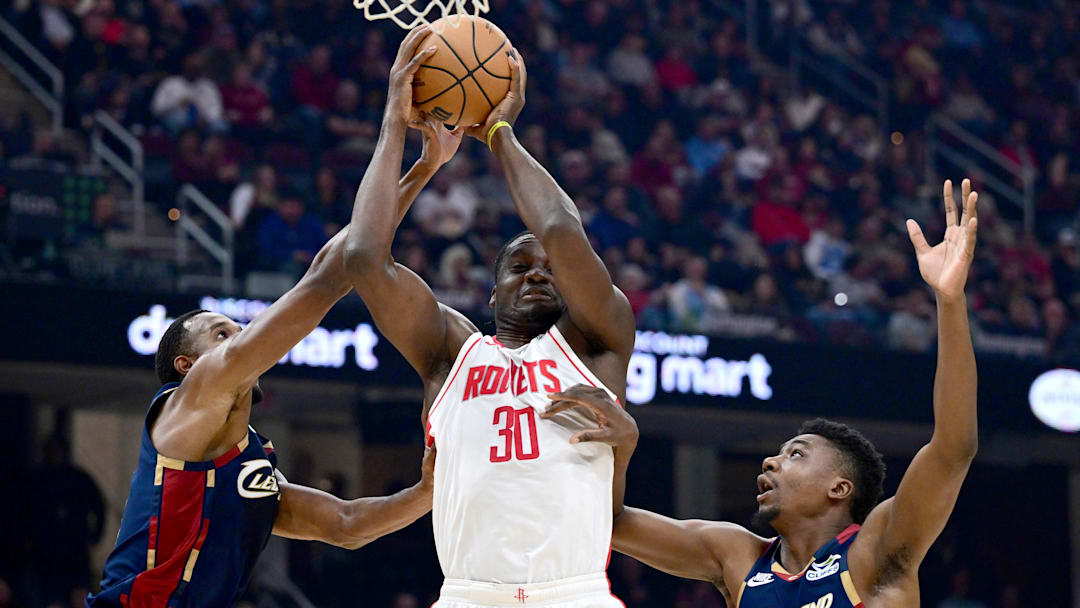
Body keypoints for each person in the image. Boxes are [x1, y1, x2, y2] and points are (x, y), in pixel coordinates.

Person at [84, 99, 463, 607]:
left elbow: (346, 525)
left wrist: (427, 491)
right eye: (222, 335)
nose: (239, 337)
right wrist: (393, 118)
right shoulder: (185, 403)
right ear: (187, 365)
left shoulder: (251, 467)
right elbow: (321, 285)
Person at [546, 180, 981, 608]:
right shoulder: (737, 557)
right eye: (782, 452)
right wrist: (621, 452)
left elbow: (953, 449)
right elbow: (611, 521)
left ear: (839, 487)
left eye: (796, 455)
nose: (771, 461)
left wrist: (949, 300)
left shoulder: (875, 553)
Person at [344, 27, 635, 607]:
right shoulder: (451, 352)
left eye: (550, 269)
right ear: (492, 291)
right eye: (519, 266)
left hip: (572, 593)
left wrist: (497, 131)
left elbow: (559, 229)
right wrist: (396, 127)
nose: (537, 273)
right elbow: (363, 257)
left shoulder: (600, 341)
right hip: (468, 594)